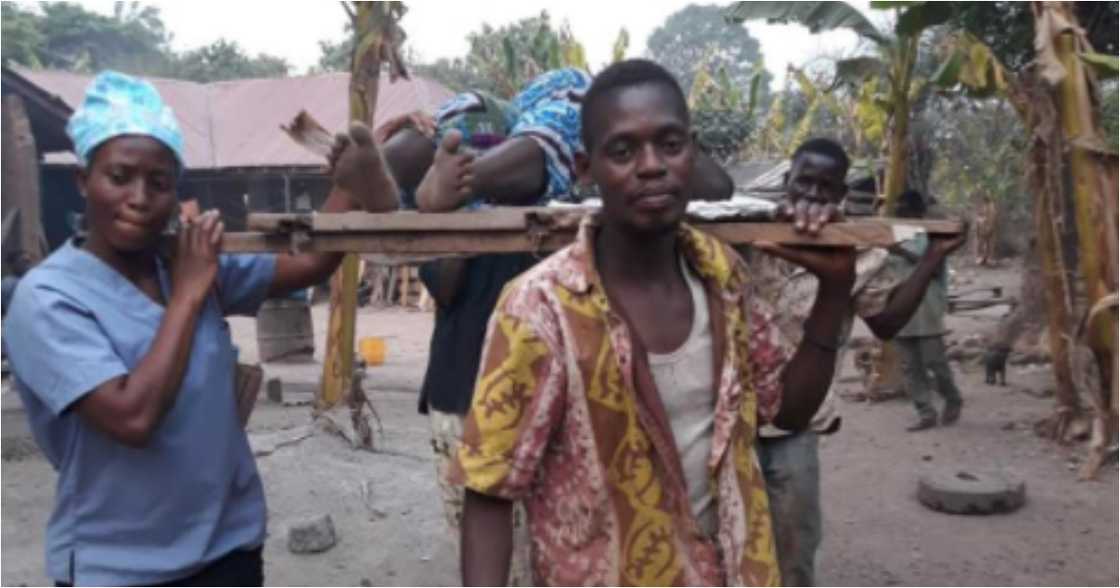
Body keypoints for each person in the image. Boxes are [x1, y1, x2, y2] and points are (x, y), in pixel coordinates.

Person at [452, 59, 856, 587]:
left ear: (691, 151)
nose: (651, 166)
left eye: (669, 144)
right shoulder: (539, 309)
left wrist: (834, 291)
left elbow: (791, 408)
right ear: (585, 169)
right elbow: (489, 491)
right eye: (622, 151)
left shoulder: (723, 279)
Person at [2, 70, 391, 586]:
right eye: (120, 177)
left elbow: (308, 266)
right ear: (82, 181)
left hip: (227, 547)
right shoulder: (48, 299)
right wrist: (188, 295)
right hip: (120, 566)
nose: (140, 197)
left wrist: (347, 189)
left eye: (160, 183)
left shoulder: (183, 262)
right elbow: (132, 417)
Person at [751, 139, 968, 586]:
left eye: (825, 187)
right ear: (787, 179)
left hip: (796, 425)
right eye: (804, 181)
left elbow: (886, 322)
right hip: (729, 420)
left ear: (841, 194)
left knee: (793, 547)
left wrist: (932, 258)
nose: (812, 194)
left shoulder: (858, 250)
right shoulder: (747, 230)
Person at [889, 189, 965, 431]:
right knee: (910, 366)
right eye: (898, 207)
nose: (898, 211)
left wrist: (899, 251)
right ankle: (925, 412)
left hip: (926, 305)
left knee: (934, 361)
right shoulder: (894, 233)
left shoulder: (933, 233)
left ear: (916, 210)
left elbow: (932, 267)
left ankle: (952, 398)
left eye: (903, 207)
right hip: (899, 306)